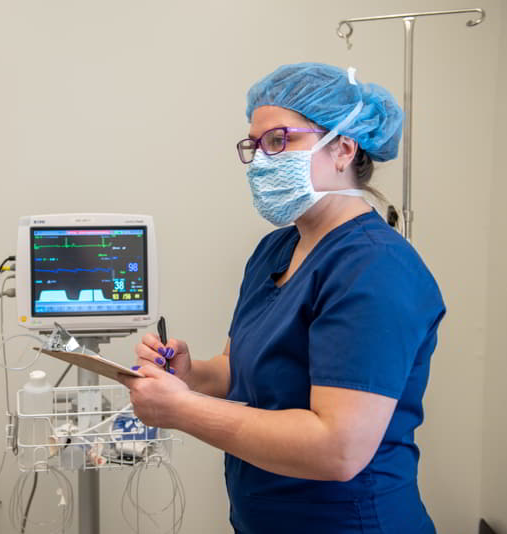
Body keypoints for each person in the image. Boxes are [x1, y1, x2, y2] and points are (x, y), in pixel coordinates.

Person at [118, 62, 445, 533]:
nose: (261, 161)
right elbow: (242, 369)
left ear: (343, 148)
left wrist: (181, 410)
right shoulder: (276, 249)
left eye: (279, 141)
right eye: (255, 146)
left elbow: (337, 449)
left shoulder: (375, 267)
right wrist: (192, 376)